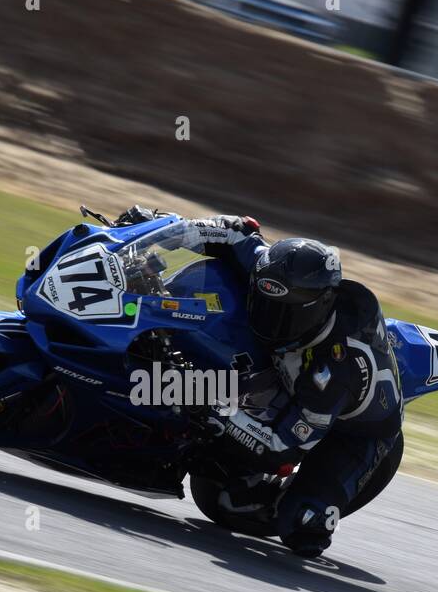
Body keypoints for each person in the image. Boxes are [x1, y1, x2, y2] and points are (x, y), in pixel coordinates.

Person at [121, 207, 405, 557]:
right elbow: (233, 233)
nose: (271, 317)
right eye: (266, 302)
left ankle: (310, 508)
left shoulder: (335, 369)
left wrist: (215, 411)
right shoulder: (272, 270)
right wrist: (154, 226)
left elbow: (281, 448)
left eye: (285, 311)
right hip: (277, 379)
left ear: (318, 307)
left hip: (354, 434)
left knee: (301, 528)